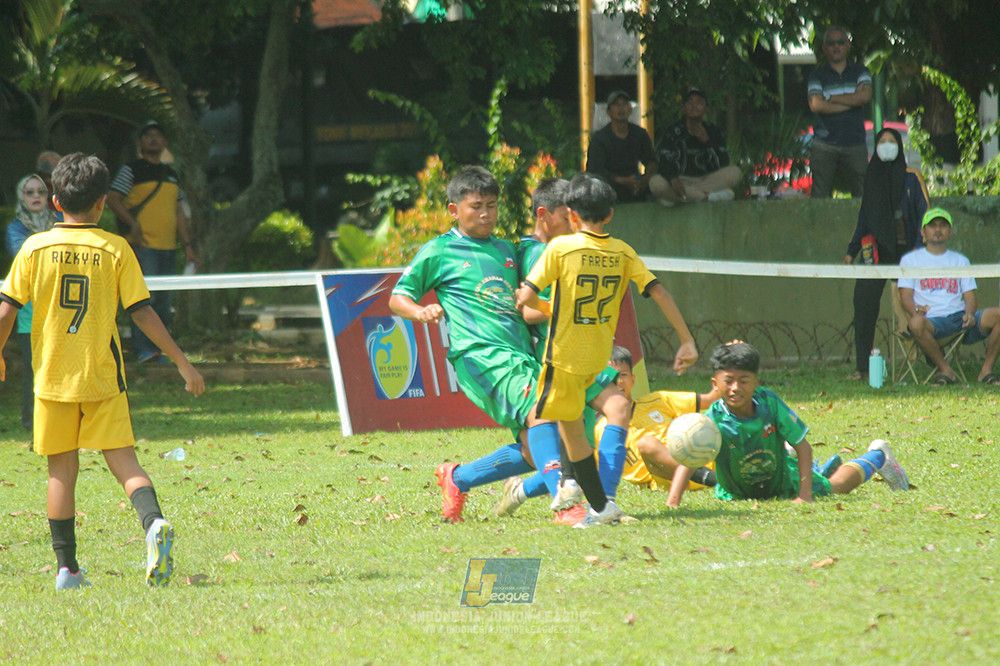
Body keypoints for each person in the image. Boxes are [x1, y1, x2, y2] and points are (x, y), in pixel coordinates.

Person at [0, 153, 206, 590]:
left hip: (52, 379)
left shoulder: (34, 248)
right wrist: (182, 362)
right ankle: (153, 524)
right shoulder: (116, 248)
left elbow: (7, 309)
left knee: (61, 472)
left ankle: (67, 570)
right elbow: (142, 313)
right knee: (125, 462)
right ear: (101, 204)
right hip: (102, 377)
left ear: (55, 202)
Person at [389, 166, 570, 523]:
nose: (486, 214)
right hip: (480, 355)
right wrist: (420, 311)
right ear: (454, 209)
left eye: (491, 205)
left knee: (540, 448)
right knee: (542, 415)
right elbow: (398, 298)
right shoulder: (439, 250)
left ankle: (458, 478)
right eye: (476, 206)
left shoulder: (507, 250)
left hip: (520, 355)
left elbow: (526, 300)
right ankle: (569, 507)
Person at [517, 172, 699, 527]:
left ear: (571, 215)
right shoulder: (623, 251)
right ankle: (579, 490)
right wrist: (687, 340)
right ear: (611, 214)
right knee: (578, 422)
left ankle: (595, 502)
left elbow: (526, 297)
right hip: (599, 355)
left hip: (563, 355)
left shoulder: (560, 248)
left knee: (566, 428)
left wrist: (549, 306)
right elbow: (659, 293)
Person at [667, 341, 909, 509]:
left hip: (782, 482)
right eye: (728, 381)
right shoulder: (710, 420)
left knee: (837, 487)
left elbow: (803, 446)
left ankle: (879, 456)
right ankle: (818, 468)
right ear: (715, 383)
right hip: (736, 495)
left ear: (756, 382)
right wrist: (673, 501)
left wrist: (804, 496)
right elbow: (690, 456)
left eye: (743, 381)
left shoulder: (769, 403)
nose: (735, 388)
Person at [107, 120, 199, 363]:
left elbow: (179, 210)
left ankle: (162, 350)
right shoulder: (132, 170)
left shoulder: (171, 174)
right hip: (142, 246)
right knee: (143, 299)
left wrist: (188, 246)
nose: (154, 139)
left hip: (169, 247)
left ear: (165, 142)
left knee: (164, 300)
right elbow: (113, 198)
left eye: (159, 135)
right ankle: (144, 350)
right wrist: (133, 224)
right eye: (148, 136)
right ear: (140, 143)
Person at [842, 127, 929, 381]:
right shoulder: (871, 177)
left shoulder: (913, 177)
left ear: (900, 146)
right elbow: (863, 220)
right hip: (875, 253)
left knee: (914, 307)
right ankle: (863, 368)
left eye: (892, 141)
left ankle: (929, 361)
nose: (887, 145)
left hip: (908, 253)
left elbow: (925, 217)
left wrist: (917, 254)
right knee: (864, 303)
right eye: (883, 141)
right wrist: (851, 252)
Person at [898, 208, 1000, 386]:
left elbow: (969, 297)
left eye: (943, 226)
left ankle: (986, 370)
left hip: (959, 319)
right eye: (933, 226)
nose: (938, 230)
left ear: (950, 231)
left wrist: (969, 314)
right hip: (930, 322)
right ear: (923, 232)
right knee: (915, 323)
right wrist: (915, 310)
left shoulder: (960, 260)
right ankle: (945, 370)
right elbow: (905, 295)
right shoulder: (911, 260)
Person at [5, 174, 62, 439]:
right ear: (22, 197)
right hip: (29, 312)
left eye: (41, 191)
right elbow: (26, 258)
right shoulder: (15, 229)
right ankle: (31, 421)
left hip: (61, 309)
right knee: (33, 370)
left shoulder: (61, 223)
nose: (36, 196)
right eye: (30, 192)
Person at [807, 26, 872, 199]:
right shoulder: (816, 76)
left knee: (863, 194)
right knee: (820, 196)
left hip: (855, 144)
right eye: (831, 43)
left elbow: (865, 97)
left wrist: (832, 98)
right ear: (824, 48)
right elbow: (816, 105)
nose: (836, 46)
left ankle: (862, 228)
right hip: (824, 145)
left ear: (848, 46)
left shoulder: (861, 71)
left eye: (840, 42)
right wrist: (852, 100)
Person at [650, 87, 742, 204]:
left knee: (735, 172)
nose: (694, 105)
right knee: (655, 183)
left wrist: (707, 142)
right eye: (690, 102)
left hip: (707, 180)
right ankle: (706, 198)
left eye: (699, 102)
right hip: (679, 180)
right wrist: (672, 178)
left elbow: (723, 163)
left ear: (706, 109)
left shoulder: (713, 131)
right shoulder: (673, 131)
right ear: (683, 108)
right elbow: (663, 160)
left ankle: (678, 197)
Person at [585, 91, 659, 203]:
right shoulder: (600, 139)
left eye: (624, 104)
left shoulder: (640, 134)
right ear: (608, 112)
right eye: (616, 105)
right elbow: (595, 171)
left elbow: (651, 160)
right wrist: (623, 181)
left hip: (636, 183)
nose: (621, 108)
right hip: (610, 185)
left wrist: (645, 179)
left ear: (630, 110)